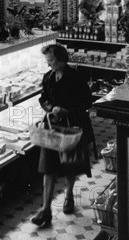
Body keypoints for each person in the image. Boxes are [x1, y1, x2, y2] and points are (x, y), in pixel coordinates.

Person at [31, 43, 94, 227]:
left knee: (69, 164)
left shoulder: (76, 77)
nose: (48, 64)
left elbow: (86, 101)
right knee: (48, 167)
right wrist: (51, 108)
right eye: (47, 61)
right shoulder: (48, 77)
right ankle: (46, 210)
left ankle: (68, 196)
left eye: (50, 61)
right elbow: (43, 98)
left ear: (61, 60)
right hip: (52, 126)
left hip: (72, 126)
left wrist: (66, 110)